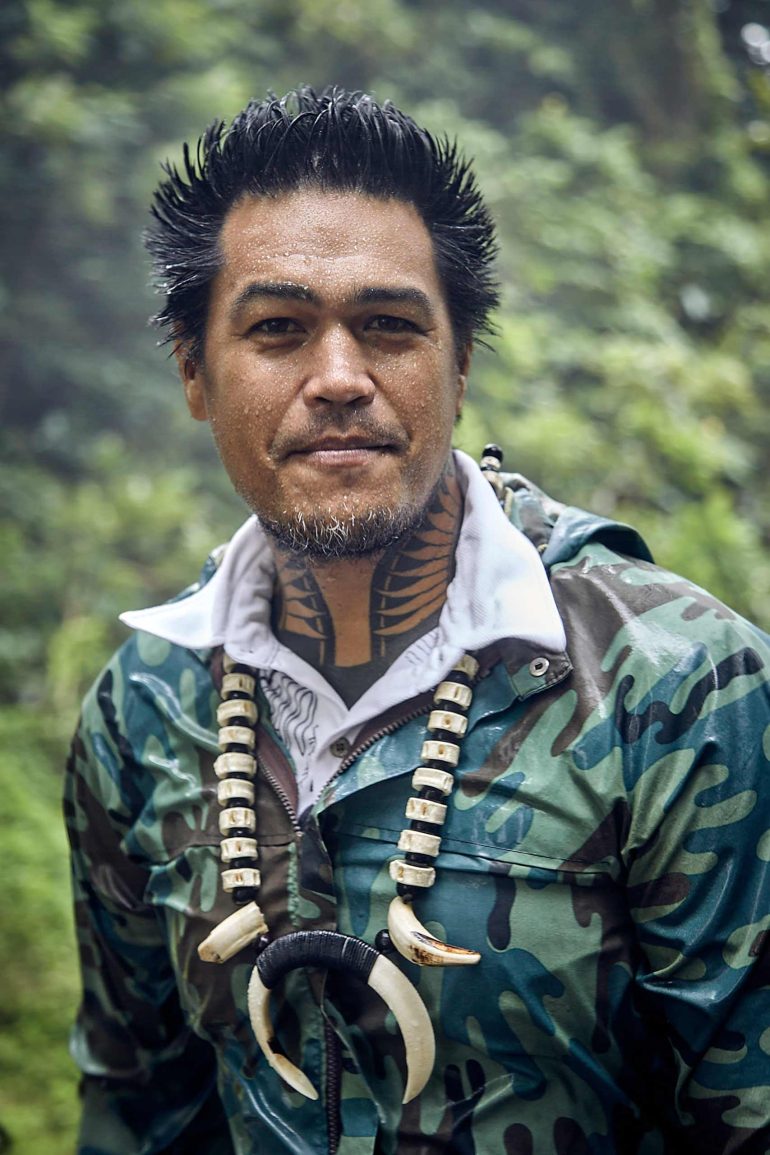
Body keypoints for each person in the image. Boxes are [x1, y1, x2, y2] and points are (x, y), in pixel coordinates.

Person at [64, 87, 770, 1155]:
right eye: (277, 330)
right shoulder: (147, 704)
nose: (339, 379)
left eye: (389, 327)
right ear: (194, 372)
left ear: (460, 360)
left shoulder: (677, 692)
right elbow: (140, 1110)